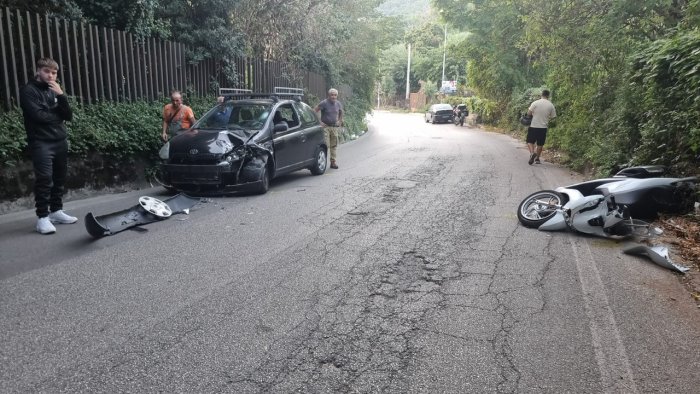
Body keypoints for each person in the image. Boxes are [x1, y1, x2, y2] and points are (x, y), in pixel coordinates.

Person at [19, 57, 77, 234]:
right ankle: (42, 218)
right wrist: (57, 116)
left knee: (59, 178)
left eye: (54, 72)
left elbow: (68, 115)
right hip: (41, 142)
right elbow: (38, 117)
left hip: (60, 140)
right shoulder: (28, 91)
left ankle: (56, 211)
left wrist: (61, 95)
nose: (51, 75)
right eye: (47, 71)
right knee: (45, 179)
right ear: (38, 71)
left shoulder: (55, 90)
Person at [314, 88, 343, 169]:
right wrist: (319, 122)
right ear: (328, 95)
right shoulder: (324, 103)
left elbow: (341, 112)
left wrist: (340, 121)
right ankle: (322, 163)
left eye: (335, 95)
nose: (333, 97)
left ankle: (333, 163)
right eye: (332, 95)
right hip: (325, 127)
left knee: (334, 146)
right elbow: (314, 110)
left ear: (337, 96)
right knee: (325, 145)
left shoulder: (338, 103)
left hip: (334, 127)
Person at [526, 89, 556, 165]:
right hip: (543, 128)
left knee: (530, 141)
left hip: (533, 126)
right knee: (540, 144)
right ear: (548, 96)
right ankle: (537, 159)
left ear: (541, 95)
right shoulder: (551, 105)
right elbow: (553, 117)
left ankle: (532, 153)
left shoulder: (535, 103)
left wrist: (533, 114)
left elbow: (528, 113)